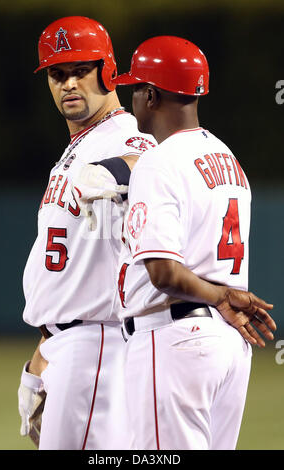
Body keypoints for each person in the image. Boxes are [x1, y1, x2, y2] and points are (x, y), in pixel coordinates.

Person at [112, 36, 276, 450]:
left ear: (150, 95)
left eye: (135, 88)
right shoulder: (228, 158)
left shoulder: (158, 161)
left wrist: (219, 295)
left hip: (175, 340)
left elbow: (163, 271)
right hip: (227, 347)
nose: (132, 97)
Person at [17, 16, 157, 450]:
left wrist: (114, 170)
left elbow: (154, 163)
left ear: (108, 69)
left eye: (81, 69)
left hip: (98, 340)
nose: (68, 83)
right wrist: (44, 348)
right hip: (65, 343)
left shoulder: (125, 134)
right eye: (57, 74)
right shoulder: (77, 147)